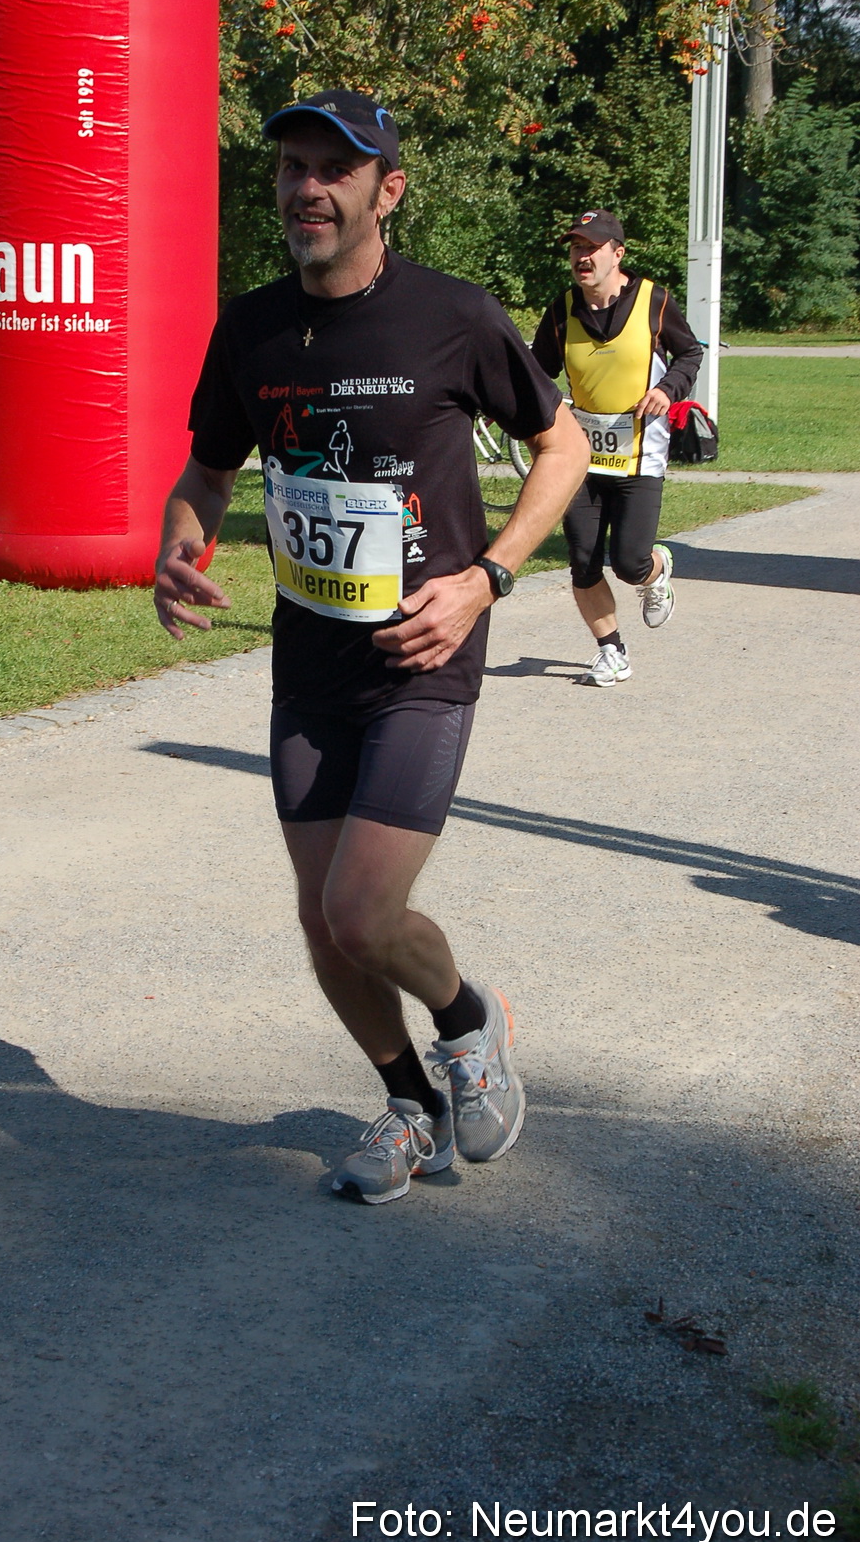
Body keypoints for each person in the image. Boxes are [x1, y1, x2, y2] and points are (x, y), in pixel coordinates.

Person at [154, 91, 588, 1205]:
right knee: (323, 922)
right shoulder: (249, 326)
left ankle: (467, 1021)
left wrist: (486, 580)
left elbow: (564, 447)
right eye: (291, 168)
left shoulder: (451, 316)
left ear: (386, 190)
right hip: (309, 660)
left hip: (421, 658)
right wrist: (181, 539)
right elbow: (209, 467)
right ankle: (410, 1104)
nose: (305, 188)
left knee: (362, 911)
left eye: (331, 171)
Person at [532, 209, 703, 685]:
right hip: (582, 458)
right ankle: (612, 651)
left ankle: (656, 568)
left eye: (592, 248)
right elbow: (534, 371)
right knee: (583, 561)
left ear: (617, 253)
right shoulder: (562, 309)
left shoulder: (654, 301)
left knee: (629, 562)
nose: (581, 257)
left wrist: (668, 389)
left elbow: (690, 352)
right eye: (575, 248)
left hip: (639, 454)